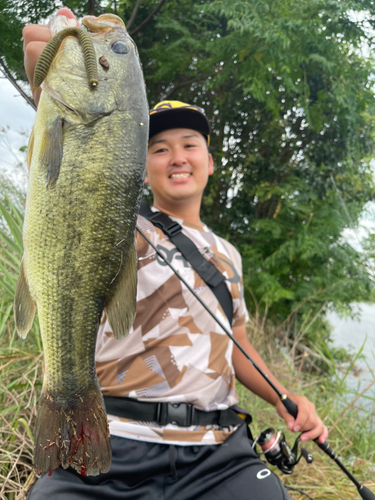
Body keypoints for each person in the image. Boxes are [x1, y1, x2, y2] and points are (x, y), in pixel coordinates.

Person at [23, 9, 328, 500]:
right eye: (159, 148)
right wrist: (68, 36)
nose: (178, 157)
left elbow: (239, 345)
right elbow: (38, 48)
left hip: (217, 453)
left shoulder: (227, 254)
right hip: (117, 438)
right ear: (136, 166)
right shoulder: (122, 221)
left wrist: (286, 398)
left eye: (190, 144)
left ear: (210, 162)